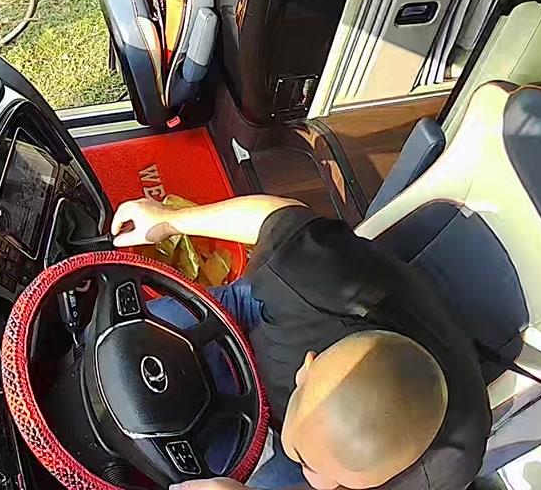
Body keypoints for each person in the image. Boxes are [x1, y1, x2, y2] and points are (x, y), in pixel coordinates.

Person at [110, 195, 491, 490]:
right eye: (307, 462)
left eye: (340, 482)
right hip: (264, 313)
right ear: (306, 369)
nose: (321, 483)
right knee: (148, 331)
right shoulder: (322, 280)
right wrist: (168, 220)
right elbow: (274, 218)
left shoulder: (444, 469)